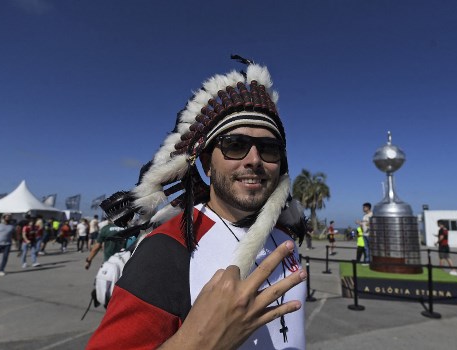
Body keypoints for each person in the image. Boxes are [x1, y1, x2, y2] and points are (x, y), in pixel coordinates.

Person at [86, 59, 307, 349]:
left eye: (269, 149)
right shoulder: (167, 247)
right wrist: (195, 343)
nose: (254, 160)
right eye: (235, 145)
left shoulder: (284, 238)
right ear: (206, 162)